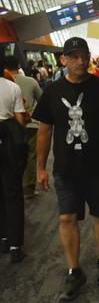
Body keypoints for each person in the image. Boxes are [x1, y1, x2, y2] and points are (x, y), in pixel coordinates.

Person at [32, 37, 99, 302]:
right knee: (66, 218)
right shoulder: (52, 91)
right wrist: (40, 168)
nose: (79, 61)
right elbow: (44, 130)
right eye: (73, 56)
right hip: (66, 169)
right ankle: (74, 270)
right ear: (63, 60)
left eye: (83, 55)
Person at [0, 56, 27, 263]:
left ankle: (2, 237)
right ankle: (15, 245)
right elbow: (19, 120)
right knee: (13, 193)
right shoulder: (12, 87)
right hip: (8, 141)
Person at [4, 56, 42, 198]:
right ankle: (28, 188)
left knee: (11, 155)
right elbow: (42, 100)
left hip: (9, 127)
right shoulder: (31, 81)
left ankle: (13, 185)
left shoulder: (4, 83)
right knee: (31, 155)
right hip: (30, 124)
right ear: (19, 65)